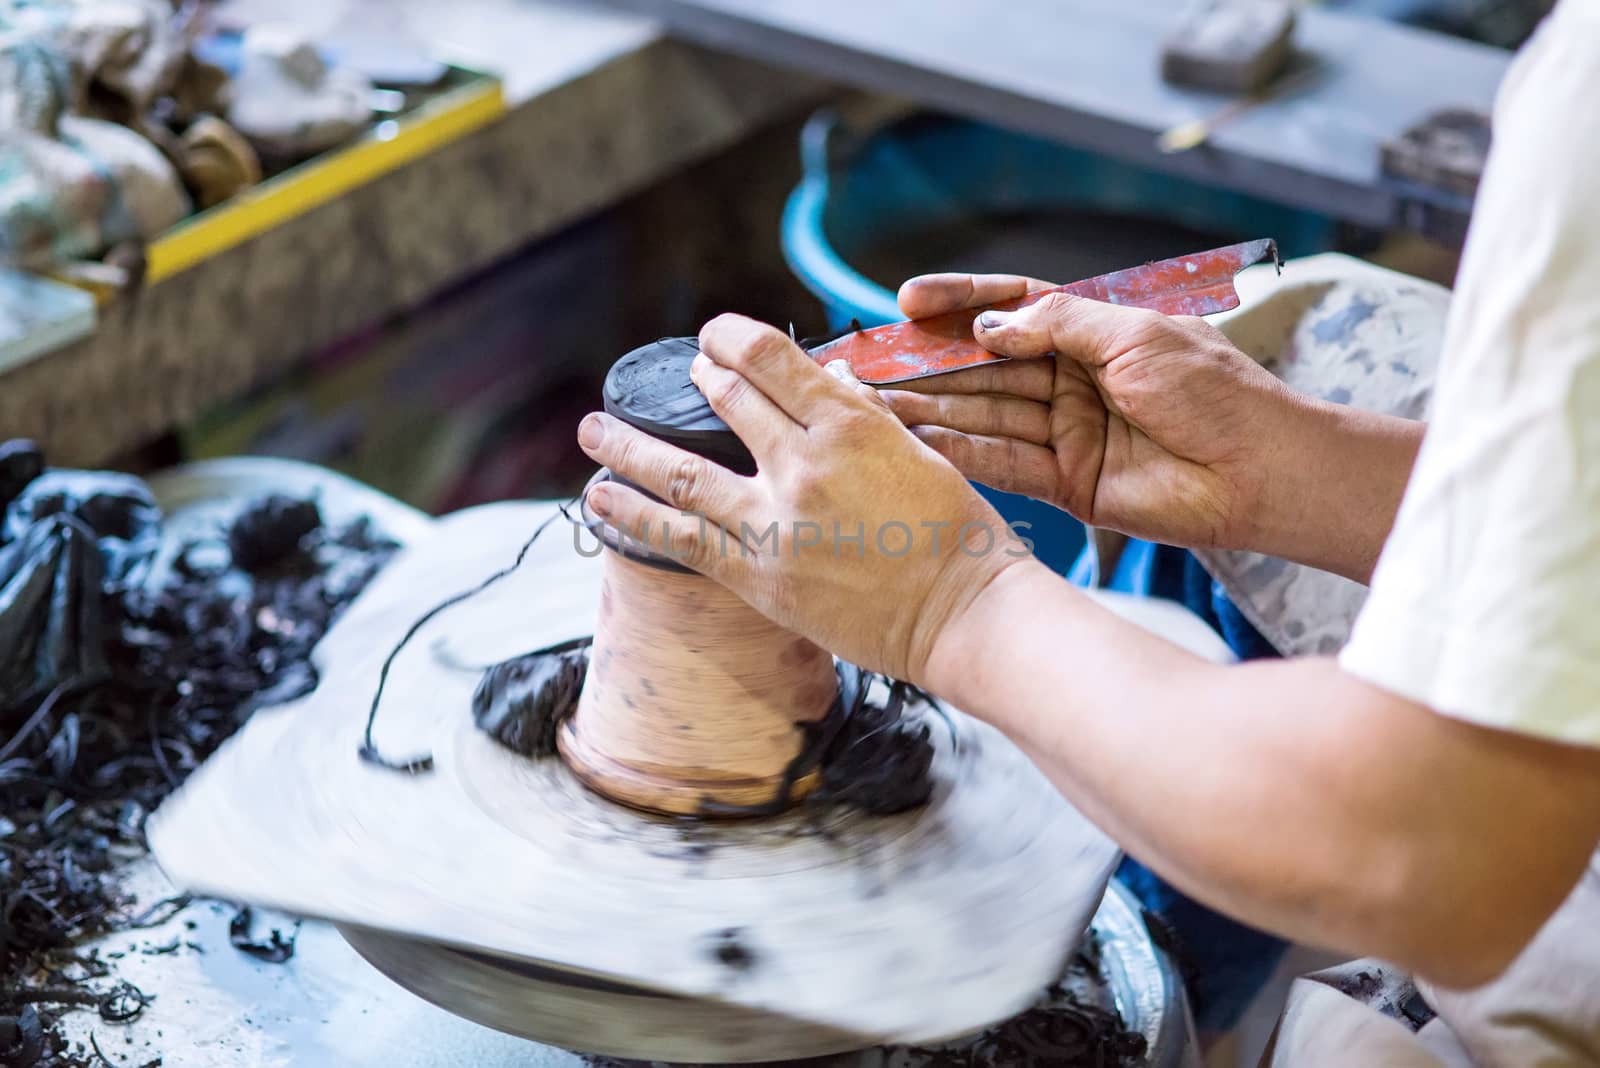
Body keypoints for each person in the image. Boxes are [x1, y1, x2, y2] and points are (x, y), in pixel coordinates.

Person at [576, 1, 1600, 1061]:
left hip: (1477, 868)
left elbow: (1419, 852)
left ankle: (1184, 969)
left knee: (1356, 1047)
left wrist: (948, 607)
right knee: (1312, 337)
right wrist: (1294, 470)